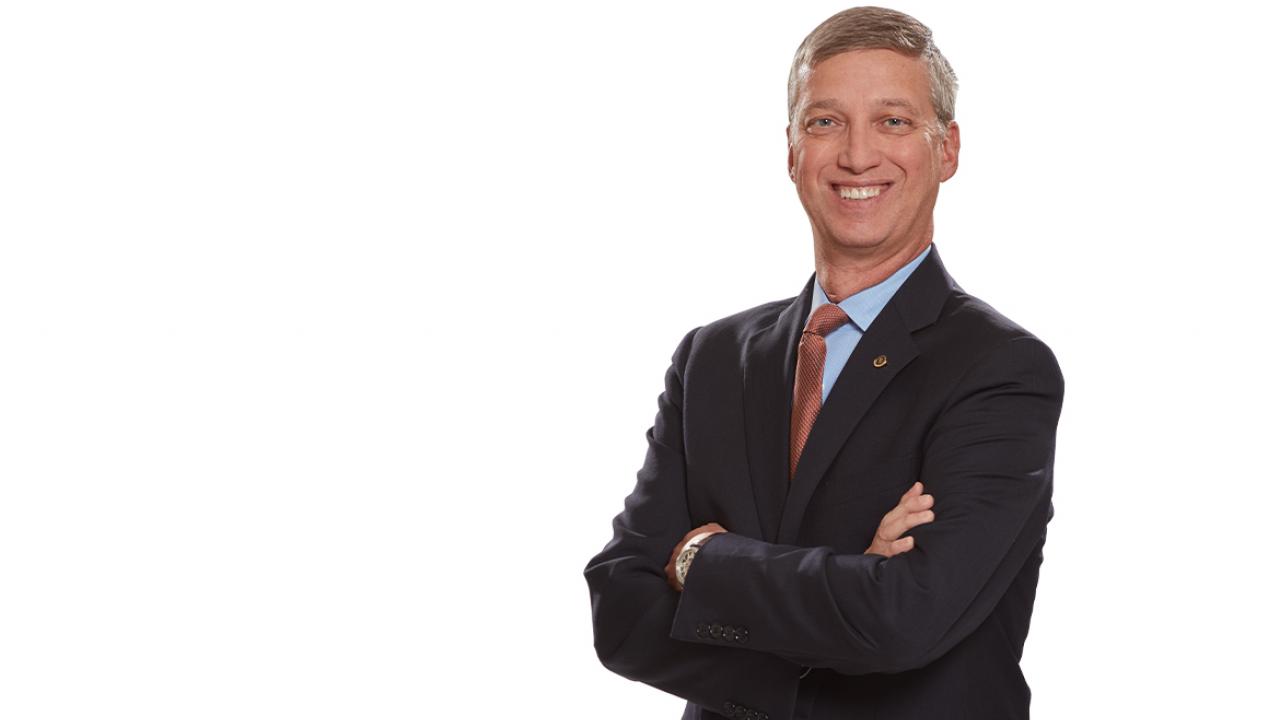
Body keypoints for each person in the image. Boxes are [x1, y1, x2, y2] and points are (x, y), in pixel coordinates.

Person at [584, 7, 1064, 719]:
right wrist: (849, 588)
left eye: (893, 121)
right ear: (791, 151)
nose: (858, 156)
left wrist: (700, 562)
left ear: (947, 150)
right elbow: (620, 613)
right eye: (825, 122)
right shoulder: (712, 358)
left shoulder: (1001, 370)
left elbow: (904, 619)